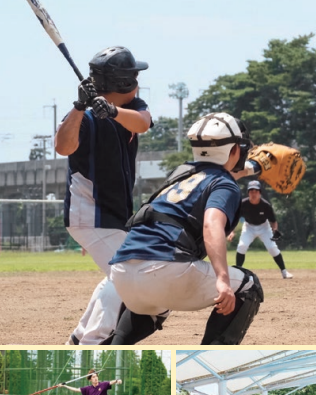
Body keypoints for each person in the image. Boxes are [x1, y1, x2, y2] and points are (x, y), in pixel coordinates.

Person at [107, 112, 267, 345]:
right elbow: (212, 222)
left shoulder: (180, 175)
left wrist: (253, 167)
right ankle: (213, 355)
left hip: (122, 275)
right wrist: (222, 278)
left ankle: (115, 348)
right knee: (248, 285)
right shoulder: (224, 185)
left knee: (155, 298)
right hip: (165, 271)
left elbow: (217, 171)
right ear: (234, 150)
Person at [56, 47, 152, 345]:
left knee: (124, 273)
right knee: (130, 276)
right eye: (134, 76)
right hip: (90, 215)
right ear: (124, 83)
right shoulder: (83, 116)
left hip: (114, 216)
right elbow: (63, 146)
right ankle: (93, 341)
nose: (138, 83)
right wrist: (78, 107)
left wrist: (111, 110)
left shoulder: (132, 106)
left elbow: (143, 122)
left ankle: (80, 336)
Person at [230, 181, 291, 278]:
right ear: (248, 193)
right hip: (248, 226)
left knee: (272, 248)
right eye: (251, 191)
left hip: (264, 227)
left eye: (256, 191)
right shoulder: (243, 204)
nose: (253, 193)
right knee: (242, 246)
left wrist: (275, 231)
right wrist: (231, 231)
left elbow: (273, 221)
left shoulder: (265, 205)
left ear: (260, 193)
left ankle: (284, 272)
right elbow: (235, 218)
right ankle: (238, 274)